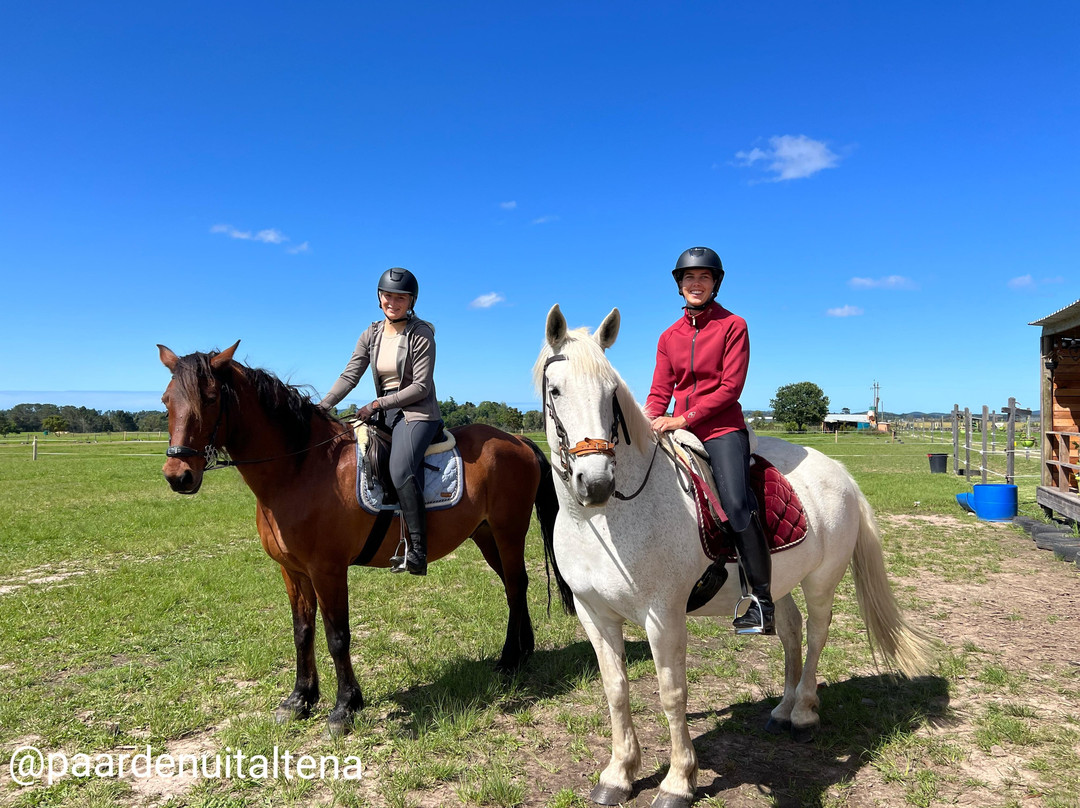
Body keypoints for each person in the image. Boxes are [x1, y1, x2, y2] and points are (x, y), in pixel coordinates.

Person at [644, 247, 775, 634]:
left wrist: (684, 417)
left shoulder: (734, 325)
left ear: (715, 284)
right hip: (677, 429)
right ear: (679, 285)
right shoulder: (669, 336)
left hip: (720, 428)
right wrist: (651, 419)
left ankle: (762, 602)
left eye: (703, 278)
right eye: (688, 278)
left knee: (735, 503)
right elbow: (659, 390)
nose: (695, 284)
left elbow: (730, 388)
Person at [319, 267, 442, 576]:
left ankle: (417, 548)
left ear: (411, 300)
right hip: (385, 412)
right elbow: (350, 374)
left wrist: (376, 404)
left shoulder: (421, 333)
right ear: (379, 298)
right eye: (388, 295)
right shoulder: (371, 334)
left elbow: (421, 387)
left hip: (417, 413)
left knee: (400, 468)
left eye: (400, 297)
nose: (393, 302)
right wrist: (322, 407)